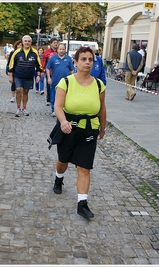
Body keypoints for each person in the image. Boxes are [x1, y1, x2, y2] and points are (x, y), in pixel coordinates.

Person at [51, 46, 106, 220]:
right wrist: (63, 121)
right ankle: (59, 178)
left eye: (90, 59)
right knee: (63, 161)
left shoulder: (98, 84)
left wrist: (102, 127)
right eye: (83, 59)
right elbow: (58, 106)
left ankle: (82, 204)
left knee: (84, 167)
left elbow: (102, 108)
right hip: (69, 128)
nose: (87, 62)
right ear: (75, 62)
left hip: (89, 128)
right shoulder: (66, 82)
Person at [8, 35, 42, 117]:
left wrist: (38, 75)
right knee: (18, 90)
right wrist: (10, 76)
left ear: (31, 43)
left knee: (26, 92)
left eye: (29, 41)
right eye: (25, 41)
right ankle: (18, 108)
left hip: (29, 76)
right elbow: (11, 64)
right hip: (18, 75)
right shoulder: (17, 52)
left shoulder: (34, 52)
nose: (27, 42)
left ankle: (24, 108)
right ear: (22, 42)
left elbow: (39, 65)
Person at [46, 43, 75, 117]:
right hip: (55, 81)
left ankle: (63, 110)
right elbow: (47, 68)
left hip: (66, 82)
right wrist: (49, 78)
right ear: (57, 50)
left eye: (63, 49)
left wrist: (72, 78)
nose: (61, 51)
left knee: (65, 97)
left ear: (65, 50)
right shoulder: (53, 58)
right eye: (60, 49)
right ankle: (54, 110)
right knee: (53, 96)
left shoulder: (68, 58)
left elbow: (72, 70)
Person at [42, 38, 58, 106]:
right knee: (49, 86)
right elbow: (43, 62)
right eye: (54, 42)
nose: (56, 44)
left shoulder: (59, 51)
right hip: (50, 72)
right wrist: (42, 70)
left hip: (57, 72)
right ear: (51, 44)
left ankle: (56, 99)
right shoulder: (47, 52)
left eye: (56, 42)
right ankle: (48, 100)